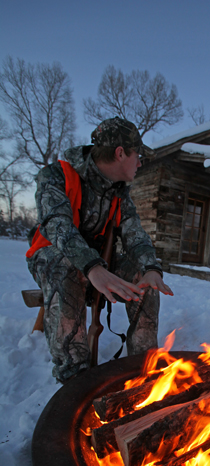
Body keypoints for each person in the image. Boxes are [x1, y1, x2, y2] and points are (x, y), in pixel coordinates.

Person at [26, 117, 173, 384]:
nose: (140, 163)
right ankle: (74, 378)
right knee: (66, 268)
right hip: (51, 257)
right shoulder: (56, 176)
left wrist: (150, 268)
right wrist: (92, 268)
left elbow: (134, 235)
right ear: (120, 153)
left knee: (145, 278)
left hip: (100, 263)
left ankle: (142, 370)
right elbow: (57, 226)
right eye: (137, 155)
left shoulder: (120, 193)